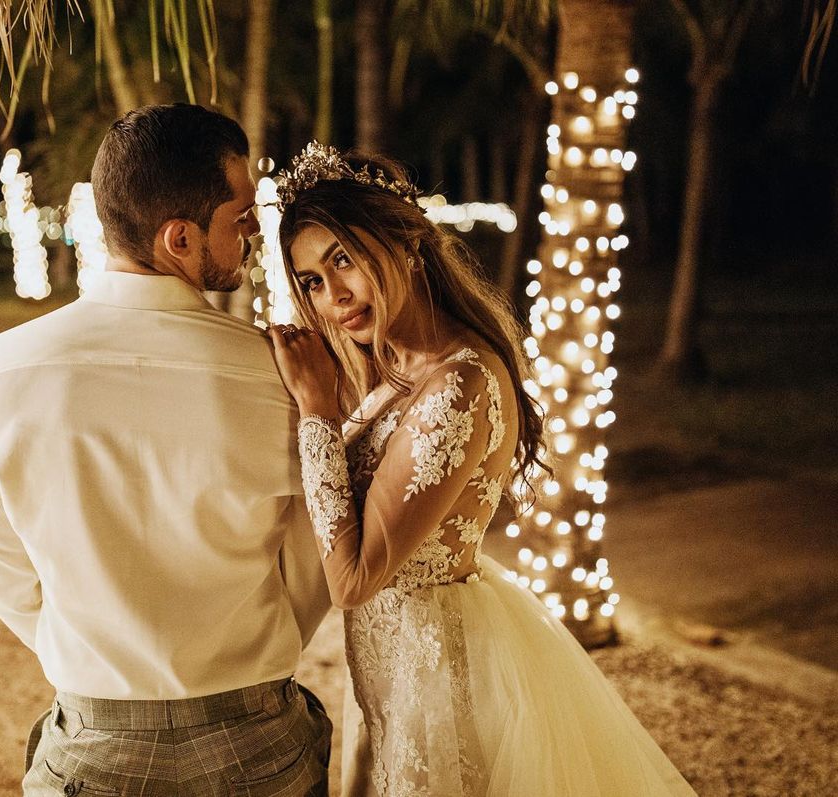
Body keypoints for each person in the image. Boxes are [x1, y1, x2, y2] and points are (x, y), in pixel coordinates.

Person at [268, 141, 697, 796]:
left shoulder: (457, 385)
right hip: (387, 676)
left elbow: (353, 580)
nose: (334, 297)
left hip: (434, 688)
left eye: (343, 259)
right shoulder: (395, 370)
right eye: (313, 282)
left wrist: (317, 415)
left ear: (407, 245)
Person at [0, 105, 333, 796]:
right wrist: (243, 666)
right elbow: (312, 566)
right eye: (240, 217)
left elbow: (10, 584)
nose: (253, 233)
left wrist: (106, 665)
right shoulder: (281, 375)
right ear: (180, 238)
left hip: (93, 746)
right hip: (257, 742)